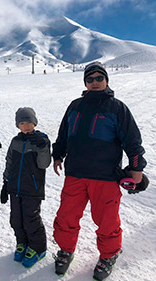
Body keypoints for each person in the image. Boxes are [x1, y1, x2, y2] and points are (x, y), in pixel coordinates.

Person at [52, 62, 147, 280]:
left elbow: (133, 142)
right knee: (66, 216)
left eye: (98, 78)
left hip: (105, 177)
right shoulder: (75, 106)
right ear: (85, 82)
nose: (95, 82)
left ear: (106, 80)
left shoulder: (117, 108)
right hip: (75, 174)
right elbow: (64, 135)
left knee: (107, 220)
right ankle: (66, 250)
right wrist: (58, 154)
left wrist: (136, 169)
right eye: (90, 79)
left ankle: (108, 255)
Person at [0, 107, 51, 268]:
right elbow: (9, 161)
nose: (26, 126)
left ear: (34, 122)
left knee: (31, 218)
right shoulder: (15, 141)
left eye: (29, 122)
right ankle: (22, 242)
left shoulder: (41, 139)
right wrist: (5, 182)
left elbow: (44, 164)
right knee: (16, 218)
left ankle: (38, 248)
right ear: (18, 125)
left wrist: (42, 147)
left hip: (32, 189)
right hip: (15, 187)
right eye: (22, 123)